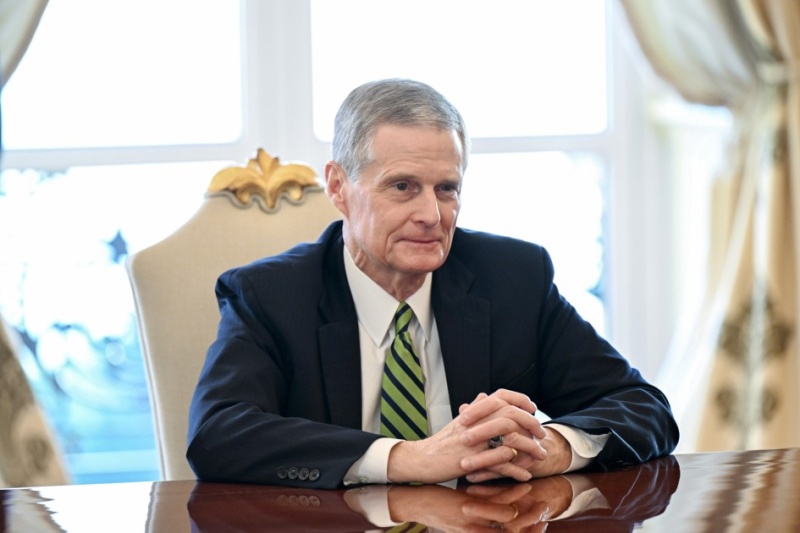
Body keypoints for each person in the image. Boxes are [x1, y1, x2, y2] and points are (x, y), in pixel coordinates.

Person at [187, 78, 679, 489]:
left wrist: (555, 447)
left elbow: (643, 407)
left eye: (447, 189)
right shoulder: (270, 295)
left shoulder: (514, 277)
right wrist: (406, 458)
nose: (431, 215)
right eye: (402, 187)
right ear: (338, 187)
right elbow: (217, 434)